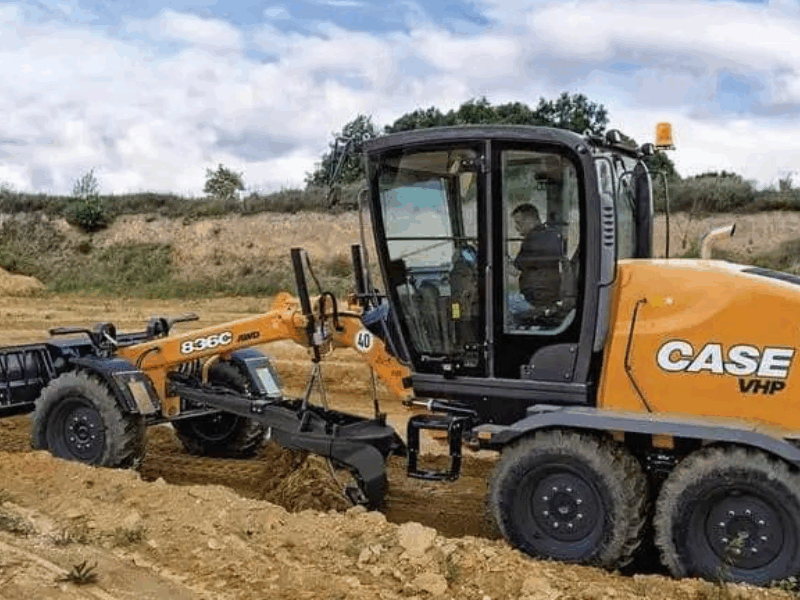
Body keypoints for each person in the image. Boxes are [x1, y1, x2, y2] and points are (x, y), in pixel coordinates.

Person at [508, 204, 565, 327]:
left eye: (519, 223)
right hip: (549, 296)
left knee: (499, 303)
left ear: (529, 220)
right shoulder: (551, 235)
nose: (517, 228)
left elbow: (514, 271)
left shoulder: (533, 240)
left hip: (534, 300)